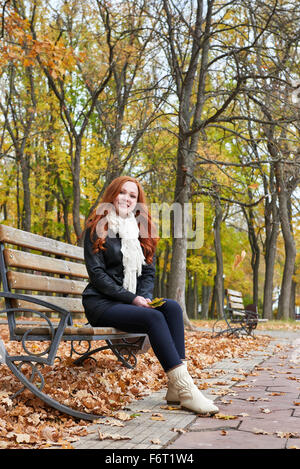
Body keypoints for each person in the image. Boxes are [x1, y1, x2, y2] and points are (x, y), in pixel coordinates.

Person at [82, 176, 218, 415]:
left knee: (172, 307)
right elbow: (97, 276)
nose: (126, 198)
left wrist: (143, 298)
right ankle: (186, 389)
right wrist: (132, 299)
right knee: (154, 318)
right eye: (122, 193)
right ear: (113, 194)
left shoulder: (139, 231)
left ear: (137, 202)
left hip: (128, 302)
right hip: (101, 303)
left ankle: (174, 389)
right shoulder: (97, 227)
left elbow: (147, 272)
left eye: (132, 196)